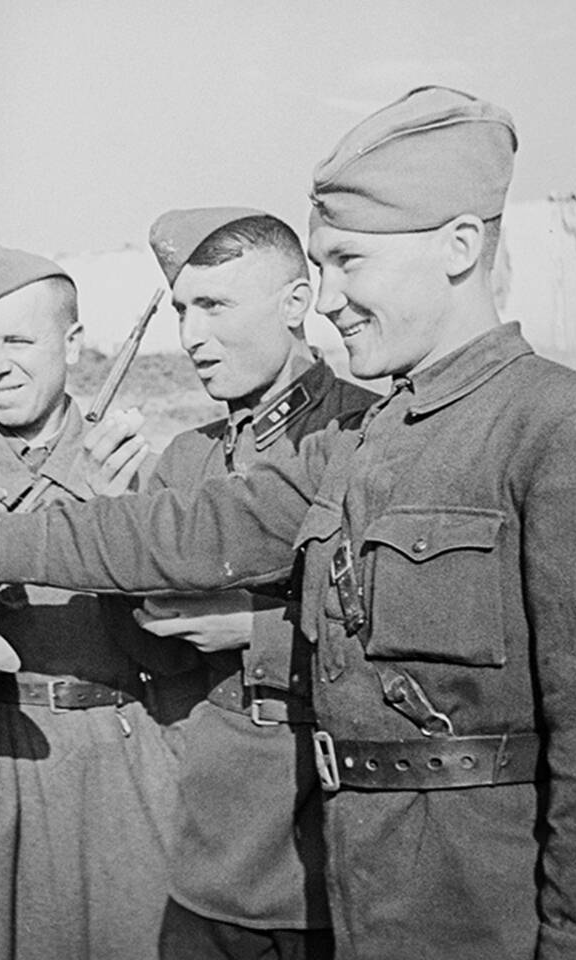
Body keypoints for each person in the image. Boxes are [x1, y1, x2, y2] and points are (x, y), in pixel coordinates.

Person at [0, 87, 576, 959]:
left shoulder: (566, 433)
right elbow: (181, 528)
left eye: (351, 263)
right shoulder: (371, 439)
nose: (328, 300)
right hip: (360, 897)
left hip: (477, 914)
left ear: (460, 247)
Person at [0, 243, 178, 960]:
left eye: (19, 339)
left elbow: (175, 641)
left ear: (73, 343)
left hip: (116, 756)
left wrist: (122, 525)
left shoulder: (135, 464)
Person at [138, 208, 376, 960]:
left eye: (215, 306)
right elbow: (159, 659)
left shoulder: (369, 436)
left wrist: (255, 630)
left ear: (297, 302)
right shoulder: (186, 461)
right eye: (182, 310)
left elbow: (409, 639)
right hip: (209, 860)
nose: (191, 338)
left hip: (330, 858)